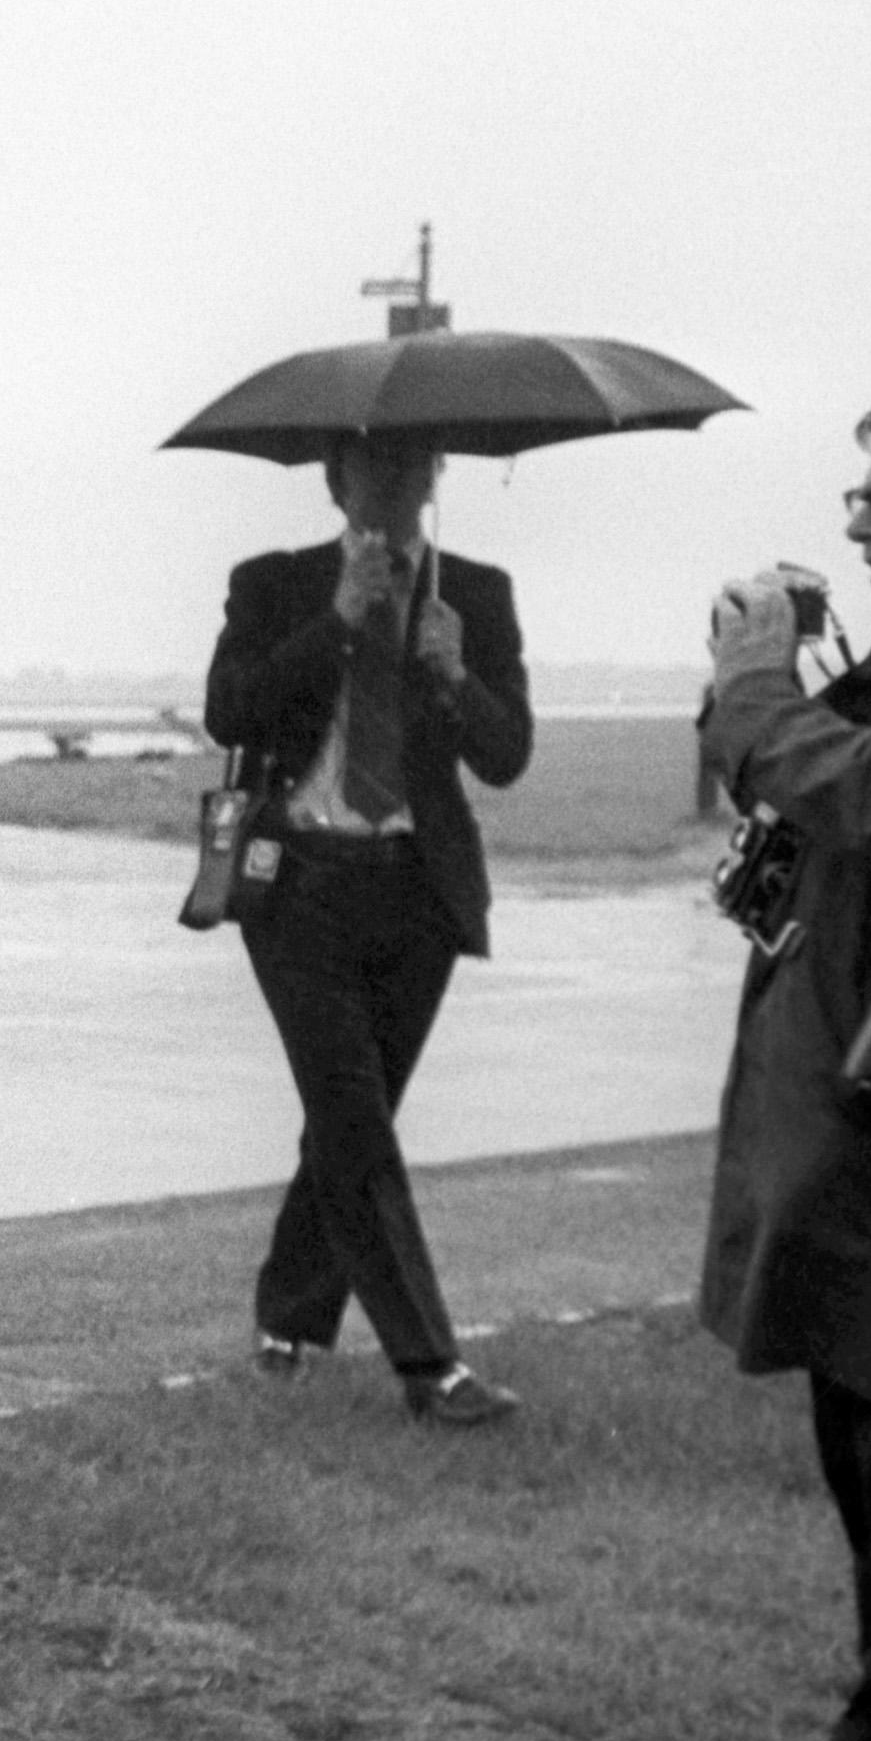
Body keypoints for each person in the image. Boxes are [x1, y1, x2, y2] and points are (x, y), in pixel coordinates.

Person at [692, 396, 871, 1741]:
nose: (863, 519)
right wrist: (785, 681)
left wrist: (763, 684)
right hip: (864, 1121)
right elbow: (807, 777)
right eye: (861, 493)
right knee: (865, 1440)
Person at [201, 434, 533, 1427]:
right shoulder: (272, 584)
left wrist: (451, 675)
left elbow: (506, 753)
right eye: (371, 475)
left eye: (410, 473)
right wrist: (336, 625)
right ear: (334, 482)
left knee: (352, 1124)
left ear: (435, 480)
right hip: (297, 884)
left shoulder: (473, 593)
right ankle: (430, 1366)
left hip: (417, 893)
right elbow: (230, 713)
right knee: (351, 1117)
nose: (390, 493)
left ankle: (290, 1322)